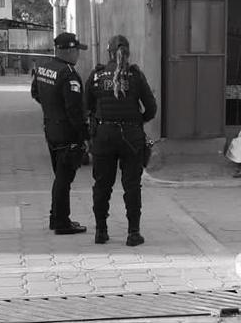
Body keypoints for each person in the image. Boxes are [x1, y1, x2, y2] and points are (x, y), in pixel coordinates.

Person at [86, 35, 158, 246]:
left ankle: (101, 231)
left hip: (104, 135)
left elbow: (87, 105)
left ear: (108, 53)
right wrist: (137, 121)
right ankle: (133, 233)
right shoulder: (136, 76)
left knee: (102, 185)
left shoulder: (97, 75)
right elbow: (151, 108)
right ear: (128, 52)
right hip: (131, 137)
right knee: (132, 185)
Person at [31, 32, 90, 235]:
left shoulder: (43, 67)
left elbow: (35, 93)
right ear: (69, 51)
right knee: (64, 179)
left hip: (51, 128)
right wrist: (84, 137)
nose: (78, 55)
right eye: (77, 51)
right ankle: (62, 222)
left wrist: (51, 108)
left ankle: (55, 217)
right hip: (67, 134)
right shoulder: (69, 74)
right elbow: (74, 110)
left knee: (60, 176)